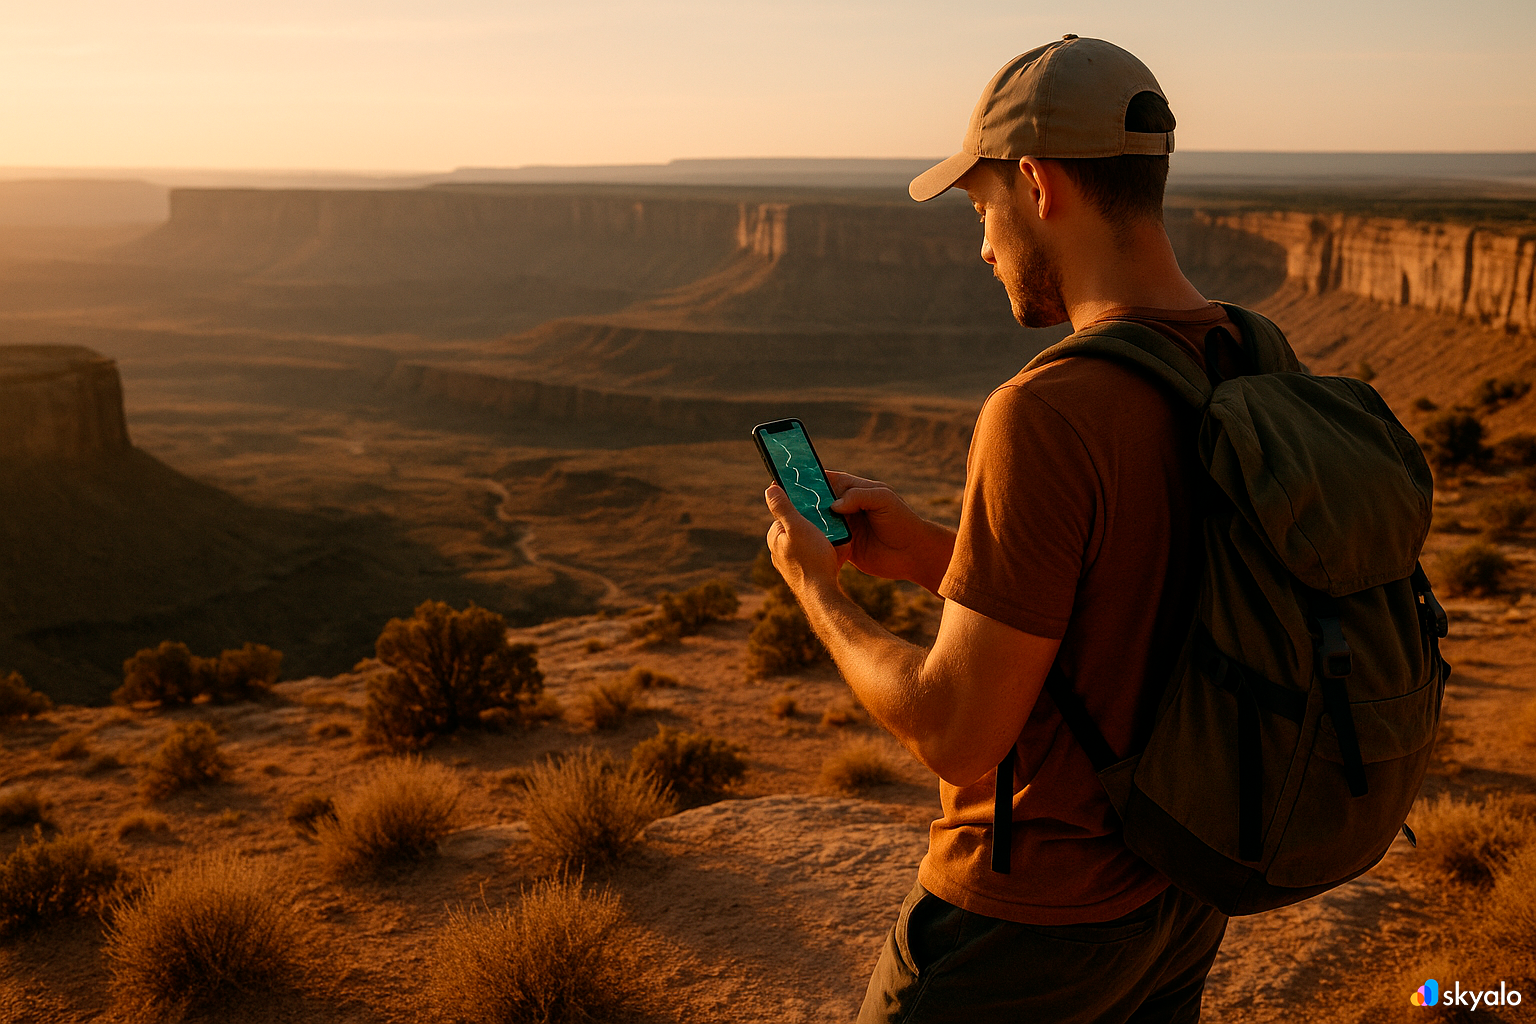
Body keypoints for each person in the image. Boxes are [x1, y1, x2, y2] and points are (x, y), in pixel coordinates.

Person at [762, 36, 1237, 1024]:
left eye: (982, 207)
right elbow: (1141, 589)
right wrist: (941, 552)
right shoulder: (1243, 359)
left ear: (1035, 182)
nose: (982, 245)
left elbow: (955, 729)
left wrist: (820, 588)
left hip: (1026, 924)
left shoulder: (1047, 411)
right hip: (1181, 890)